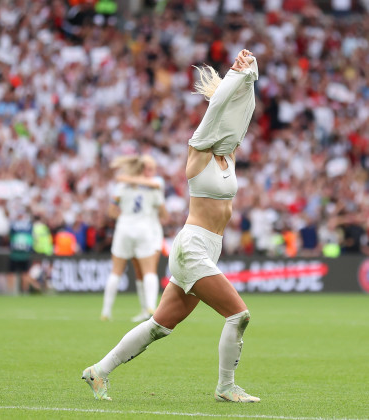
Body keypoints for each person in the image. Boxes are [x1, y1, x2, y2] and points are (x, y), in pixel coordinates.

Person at [82, 50, 261, 403]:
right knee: (238, 315)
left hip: (208, 247)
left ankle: (98, 372)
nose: (228, 124)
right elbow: (218, 108)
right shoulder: (199, 152)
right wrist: (235, 75)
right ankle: (226, 387)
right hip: (192, 246)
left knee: (159, 327)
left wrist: (251, 75)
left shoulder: (230, 155)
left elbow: (242, 115)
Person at [100, 155, 167, 323]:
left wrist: (123, 216)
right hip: (145, 229)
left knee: (116, 271)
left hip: (124, 228)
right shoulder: (153, 188)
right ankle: (150, 308)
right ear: (143, 169)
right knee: (149, 271)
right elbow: (164, 213)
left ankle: (106, 312)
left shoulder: (122, 186)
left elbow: (111, 210)